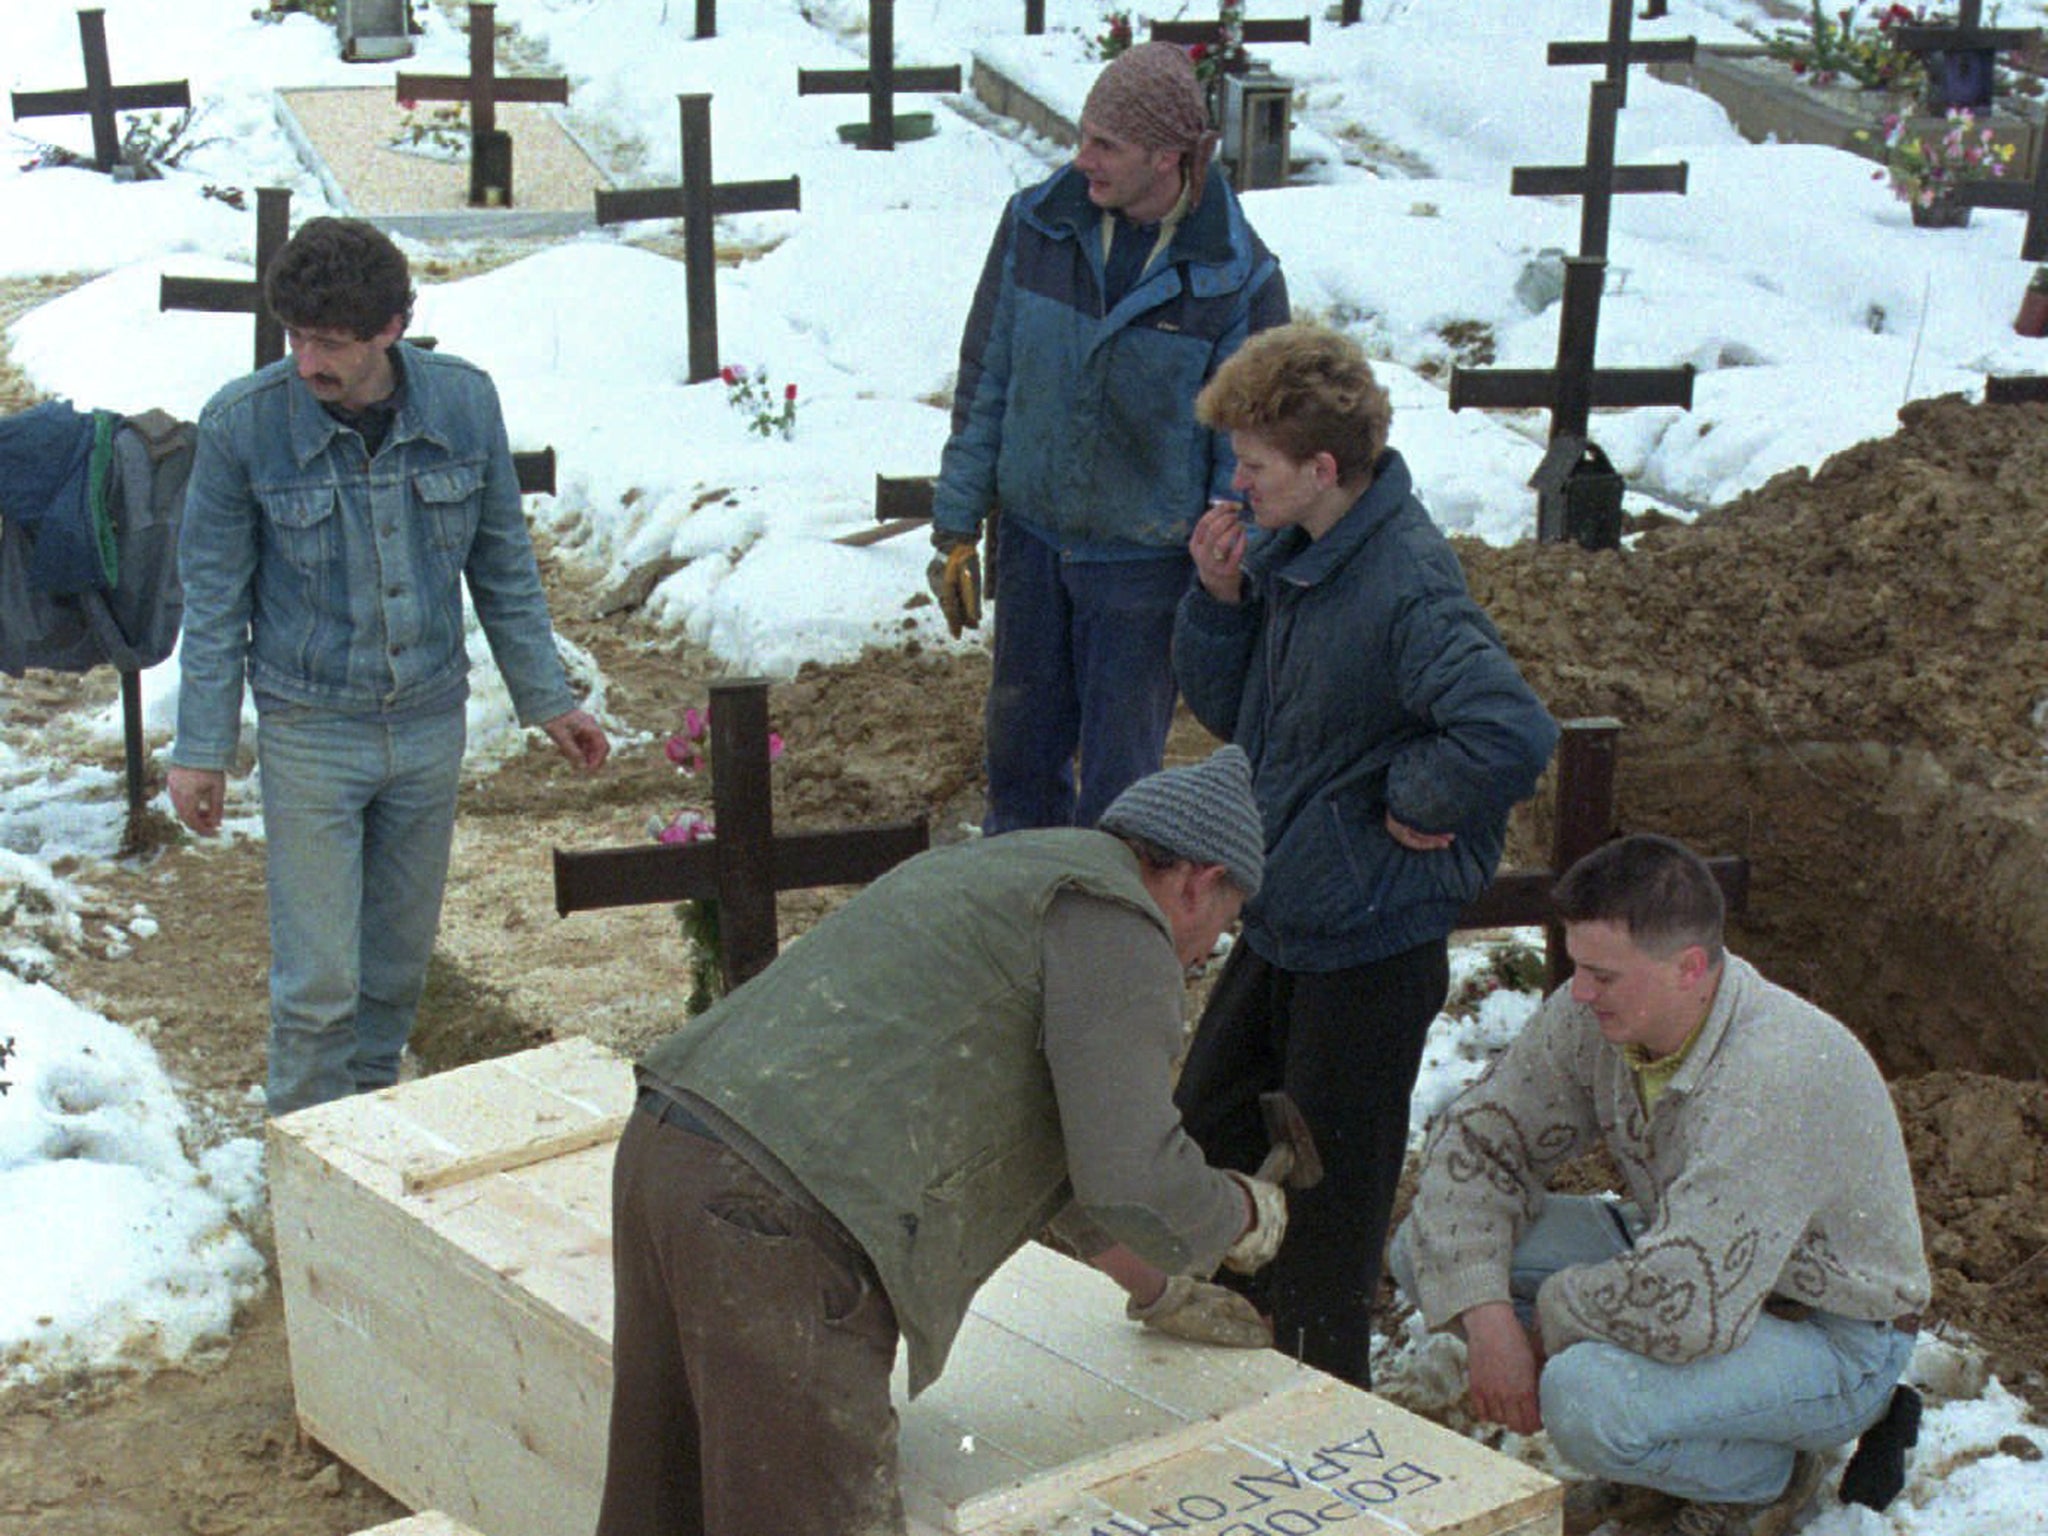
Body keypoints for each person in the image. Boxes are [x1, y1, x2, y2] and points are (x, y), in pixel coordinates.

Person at [596, 748, 1291, 1536]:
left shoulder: (1007, 877)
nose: (1200, 959)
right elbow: (1133, 1178)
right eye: (1218, 931)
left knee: (661, 1512)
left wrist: (1160, 1291)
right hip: (779, 1223)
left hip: (671, 1152)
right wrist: (1241, 1214)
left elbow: (1068, 1172)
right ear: (1196, 881)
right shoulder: (1120, 926)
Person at [1169, 322, 1559, 1390]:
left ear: (1321, 468)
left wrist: (1407, 801)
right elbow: (1238, 714)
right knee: (1203, 1134)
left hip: (1366, 944)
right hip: (1289, 917)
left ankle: (1317, 1422)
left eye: (1253, 465)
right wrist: (1215, 604)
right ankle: (1227, 1372)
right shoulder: (1300, 556)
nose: (1236, 483)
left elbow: (1509, 731)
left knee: (1329, 1214)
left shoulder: (1403, 583)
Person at [167, 217, 608, 1118]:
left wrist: (548, 699)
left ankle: (369, 1154)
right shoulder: (240, 428)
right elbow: (213, 602)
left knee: (394, 978)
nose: (307, 361)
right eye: (295, 337)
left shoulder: (463, 405)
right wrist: (200, 747)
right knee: (318, 987)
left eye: (330, 342)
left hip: (427, 723)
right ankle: (304, 1168)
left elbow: (502, 563)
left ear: (391, 330)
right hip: (310, 728)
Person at [1389, 834, 1931, 1536]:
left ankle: (1768, 1476)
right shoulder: (1598, 1014)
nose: (1579, 993)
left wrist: (1548, 1321)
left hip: (1834, 1328)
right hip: (1689, 1252)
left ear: (1690, 968)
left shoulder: (1774, 1075)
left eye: (1603, 976)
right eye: (1578, 967)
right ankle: (1695, 1436)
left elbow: (1688, 1302)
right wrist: (1489, 1317)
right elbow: (1480, 1140)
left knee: (1584, 1397)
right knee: (1425, 1251)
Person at [927, 40, 1289, 834]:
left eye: (1104, 144)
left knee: (1120, 793)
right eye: (1085, 135)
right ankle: (1019, 935)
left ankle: (1100, 943)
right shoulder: (1036, 225)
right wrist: (957, 524)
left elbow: (1246, 455)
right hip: (1031, 550)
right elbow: (988, 374)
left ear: (1166, 157)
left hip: (1142, 578)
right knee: (1018, 769)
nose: (1080, 158)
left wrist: (1226, 569)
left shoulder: (1237, 278)